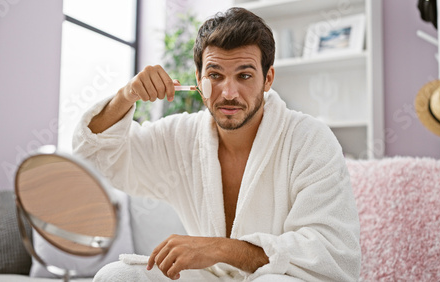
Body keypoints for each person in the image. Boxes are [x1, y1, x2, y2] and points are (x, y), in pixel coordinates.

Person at [73, 7, 361, 282]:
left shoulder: (310, 140)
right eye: (215, 75)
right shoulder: (180, 138)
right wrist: (126, 95)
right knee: (116, 276)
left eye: (245, 75)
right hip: (207, 276)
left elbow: (332, 255)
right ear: (198, 80)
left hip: (280, 275)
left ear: (267, 79)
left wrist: (221, 249)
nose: (229, 92)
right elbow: (95, 156)